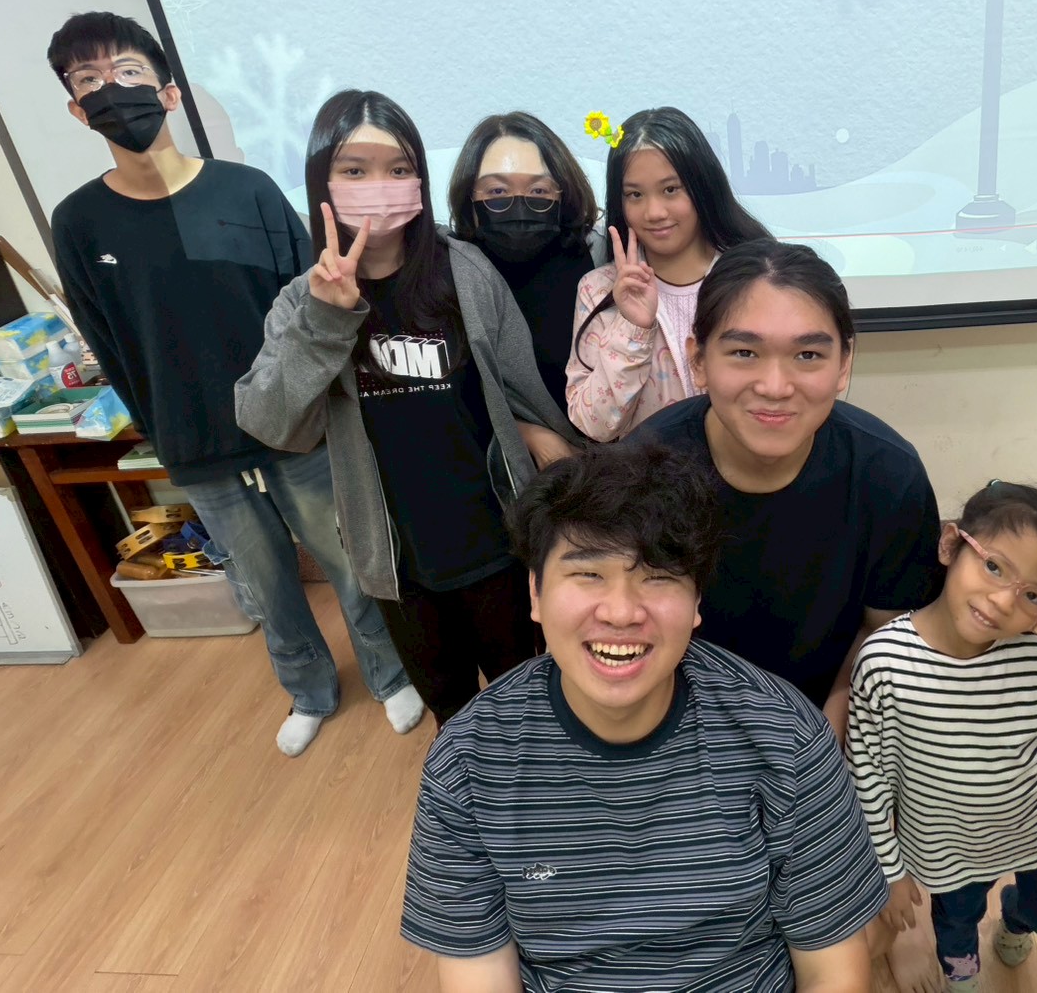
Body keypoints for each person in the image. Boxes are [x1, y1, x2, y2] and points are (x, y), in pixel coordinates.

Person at [46, 12, 417, 758]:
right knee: (264, 583)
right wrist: (164, 435)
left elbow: (312, 307)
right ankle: (308, 690)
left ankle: (391, 674)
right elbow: (110, 343)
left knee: (351, 563)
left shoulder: (246, 191)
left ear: (169, 93)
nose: (110, 88)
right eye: (88, 79)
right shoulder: (79, 221)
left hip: (297, 428)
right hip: (196, 444)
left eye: (127, 71)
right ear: (76, 109)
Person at [401, 442, 888, 990]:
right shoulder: (468, 762)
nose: (621, 612)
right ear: (535, 592)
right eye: (588, 574)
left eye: (657, 577)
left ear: (697, 599)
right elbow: (480, 974)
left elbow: (832, 968)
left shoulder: (784, 736)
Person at [236, 90, 581, 728]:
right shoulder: (302, 300)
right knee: (450, 706)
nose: (378, 185)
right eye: (354, 169)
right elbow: (273, 424)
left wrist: (556, 459)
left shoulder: (466, 272)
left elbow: (521, 389)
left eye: (398, 168)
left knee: (525, 698)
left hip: (497, 545)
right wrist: (325, 320)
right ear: (321, 183)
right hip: (398, 561)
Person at [637, 239, 942, 737]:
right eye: (744, 352)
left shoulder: (888, 475)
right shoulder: (641, 472)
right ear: (698, 361)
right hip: (680, 722)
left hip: (829, 718)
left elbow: (883, 634)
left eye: (807, 354)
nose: (775, 386)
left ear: (843, 364)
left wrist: (825, 739)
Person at [849, 481, 1037, 992]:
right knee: (956, 930)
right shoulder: (883, 664)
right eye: (993, 566)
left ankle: (1015, 916)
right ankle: (962, 980)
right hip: (947, 850)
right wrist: (889, 872)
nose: (1003, 600)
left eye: (1033, 596)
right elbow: (869, 781)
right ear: (950, 545)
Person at [565, 106, 770, 440]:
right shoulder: (599, 289)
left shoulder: (758, 276)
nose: (654, 212)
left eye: (671, 189)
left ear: (702, 187)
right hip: (648, 472)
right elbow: (595, 426)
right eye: (635, 194)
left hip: (746, 466)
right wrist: (632, 328)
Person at [447, 112, 606, 409]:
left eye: (538, 191)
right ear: (469, 195)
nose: (519, 206)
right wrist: (527, 430)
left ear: (562, 194)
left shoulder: (599, 259)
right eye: (497, 191)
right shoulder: (450, 269)